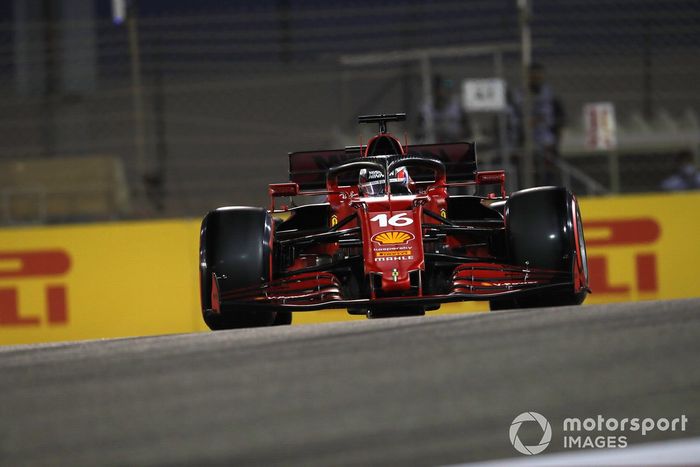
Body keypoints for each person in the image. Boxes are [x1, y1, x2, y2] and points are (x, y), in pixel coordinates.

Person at [510, 63, 566, 186]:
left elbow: (559, 118)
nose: (536, 77)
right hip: (525, 143)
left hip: (546, 143)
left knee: (549, 175)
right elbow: (513, 119)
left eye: (538, 74)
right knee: (527, 177)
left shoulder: (549, 95)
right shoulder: (518, 95)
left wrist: (556, 137)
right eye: (533, 74)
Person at [417, 75, 471, 143]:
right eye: (438, 90)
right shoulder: (425, 108)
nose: (441, 93)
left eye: (443, 90)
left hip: (454, 142)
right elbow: (418, 132)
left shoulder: (456, 106)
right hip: (432, 143)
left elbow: (467, 130)